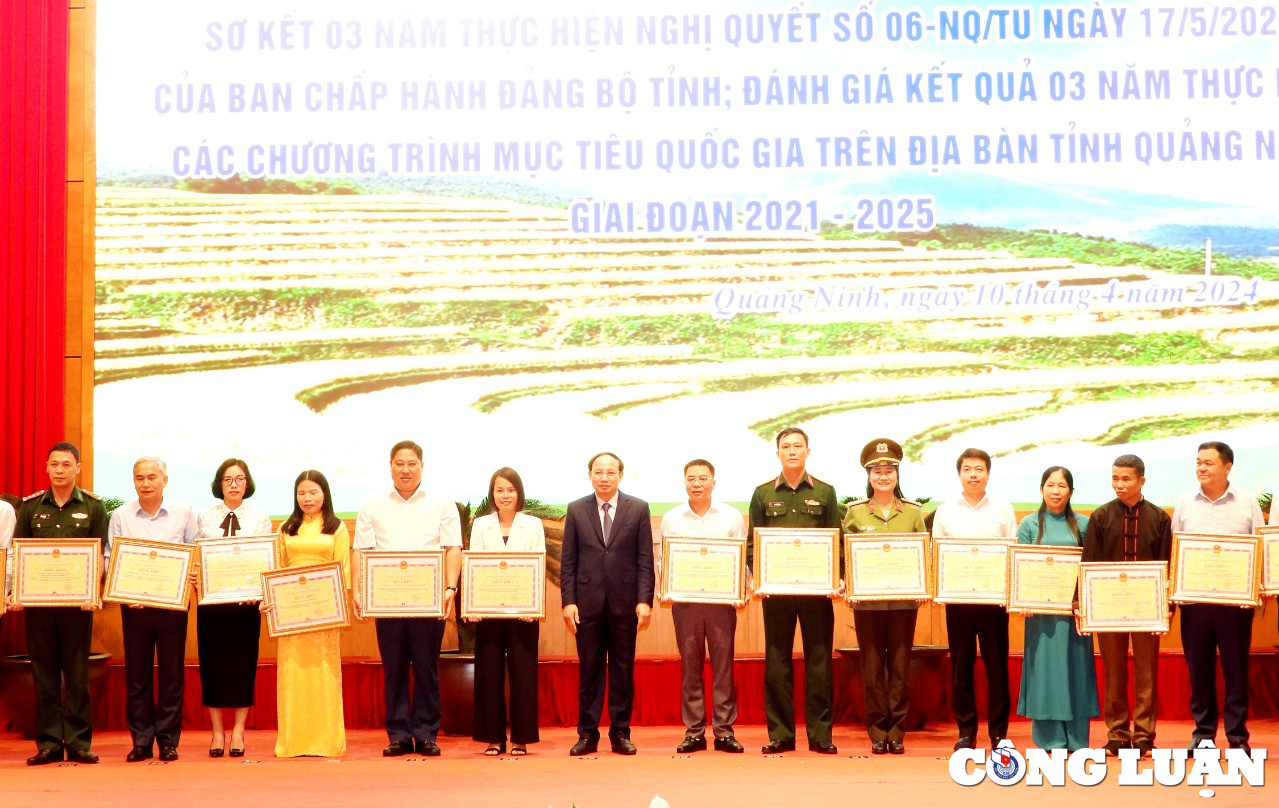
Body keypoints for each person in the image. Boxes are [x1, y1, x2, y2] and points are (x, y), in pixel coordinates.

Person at [353, 440, 462, 757]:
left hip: (427, 600)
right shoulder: (372, 504)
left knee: (427, 668)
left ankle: (427, 733)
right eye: (399, 463)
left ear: (422, 467)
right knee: (394, 668)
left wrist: (450, 588)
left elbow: (452, 547)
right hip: (386, 601)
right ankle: (399, 734)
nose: (405, 469)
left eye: (412, 463)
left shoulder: (441, 503)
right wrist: (359, 590)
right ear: (390, 466)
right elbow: (361, 551)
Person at [9, 442, 106, 765]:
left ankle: (78, 742)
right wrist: (16, 593)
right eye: (54, 465)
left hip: (78, 608)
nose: (60, 470)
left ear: (78, 468)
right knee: (45, 676)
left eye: (66, 464)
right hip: (38, 609)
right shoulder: (30, 507)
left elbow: (101, 556)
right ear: (47, 468)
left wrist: (94, 591)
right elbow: (17, 554)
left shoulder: (93, 507)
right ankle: (49, 743)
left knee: (78, 677)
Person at [747, 427, 841, 754]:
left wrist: (836, 577)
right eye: (785, 446)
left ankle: (820, 735)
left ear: (807, 451)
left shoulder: (826, 493)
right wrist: (756, 577)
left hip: (816, 593)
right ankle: (781, 735)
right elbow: (752, 546)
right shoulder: (761, 495)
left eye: (797, 446)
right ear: (777, 454)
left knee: (819, 663)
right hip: (776, 593)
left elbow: (836, 542)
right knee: (777, 663)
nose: (791, 451)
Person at [1171, 441, 1265, 754]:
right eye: (1198, 462)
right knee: (1199, 668)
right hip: (1195, 604)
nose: (1201, 468)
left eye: (1209, 463)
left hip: (1234, 604)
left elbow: (1261, 549)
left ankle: (1237, 736)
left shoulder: (1247, 503)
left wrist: (1255, 592)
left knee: (1235, 668)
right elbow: (1175, 550)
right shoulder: (1185, 502)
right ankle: (1203, 734)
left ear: (1227, 467)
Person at [560, 451, 655, 756]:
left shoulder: (638, 508)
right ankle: (587, 734)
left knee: (622, 672)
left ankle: (620, 733)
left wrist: (644, 600)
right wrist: (568, 601)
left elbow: (644, 559)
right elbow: (568, 560)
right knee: (589, 672)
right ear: (590, 475)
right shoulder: (576, 509)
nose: (604, 477)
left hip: (625, 604)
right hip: (586, 605)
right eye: (598, 472)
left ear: (620, 475)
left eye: (610, 472)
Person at [107, 456, 201, 762]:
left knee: (172, 674)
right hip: (134, 606)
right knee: (137, 675)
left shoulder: (184, 513)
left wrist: (191, 574)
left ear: (165, 480)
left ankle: (168, 740)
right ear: (133, 481)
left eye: (151, 477)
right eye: (139, 478)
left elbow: (195, 554)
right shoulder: (121, 515)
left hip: (173, 606)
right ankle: (141, 740)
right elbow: (111, 557)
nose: (145, 483)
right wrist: (121, 587)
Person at [1082, 454, 1172, 757]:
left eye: (1126, 479)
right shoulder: (1101, 516)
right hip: (1108, 608)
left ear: (1141, 481)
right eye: (1115, 478)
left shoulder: (1159, 518)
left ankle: (1145, 735)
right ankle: (1118, 733)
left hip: (1148, 609)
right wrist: (1083, 601)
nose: (1119, 485)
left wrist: (1166, 607)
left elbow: (1167, 566)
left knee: (1147, 671)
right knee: (1114, 671)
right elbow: (1089, 562)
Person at [842, 438, 925, 756]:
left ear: (897, 474)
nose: (883, 476)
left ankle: (897, 732)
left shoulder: (914, 514)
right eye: (877, 471)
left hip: (904, 604)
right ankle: (877, 732)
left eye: (889, 470)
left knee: (901, 670)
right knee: (873, 671)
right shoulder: (856, 514)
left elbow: (923, 557)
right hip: (868, 605)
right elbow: (846, 559)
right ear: (869, 476)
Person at [658, 459, 747, 754]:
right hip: (685, 605)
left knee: (723, 669)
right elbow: (664, 561)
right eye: (691, 478)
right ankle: (694, 732)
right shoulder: (671, 518)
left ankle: (724, 731)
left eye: (703, 478)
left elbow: (740, 558)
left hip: (722, 605)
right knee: (690, 669)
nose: (697, 483)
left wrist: (741, 589)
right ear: (684, 482)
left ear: (713, 482)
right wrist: (666, 588)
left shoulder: (731, 516)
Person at [931, 447, 1017, 751]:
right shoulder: (945, 510)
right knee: (961, 668)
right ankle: (965, 732)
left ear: (988, 474)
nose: (973, 475)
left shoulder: (1003, 509)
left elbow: (1012, 554)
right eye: (967, 469)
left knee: (997, 668)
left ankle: (998, 734)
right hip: (959, 602)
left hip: (993, 603)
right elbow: (936, 553)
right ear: (959, 474)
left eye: (979, 469)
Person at [1015, 466, 1098, 752]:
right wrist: (1022, 599)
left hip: (1074, 615)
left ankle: (1076, 739)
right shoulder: (1028, 525)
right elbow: (1019, 568)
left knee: (1076, 672)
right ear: (1042, 489)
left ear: (1071, 492)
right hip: (1040, 616)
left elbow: (1090, 568)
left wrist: (1083, 603)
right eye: (1050, 485)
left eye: (1062, 486)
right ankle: (1049, 739)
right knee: (1046, 674)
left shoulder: (1085, 525)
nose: (1055, 491)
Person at [269, 469, 351, 757]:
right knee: (293, 675)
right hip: (291, 615)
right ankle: (294, 742)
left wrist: (338, 610)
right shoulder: (285, 529)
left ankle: (325, 741)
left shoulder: (337, 528)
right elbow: (275, 570)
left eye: (313, 492)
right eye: (301, 493)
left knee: (323, 675)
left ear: (325, 494)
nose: (307, 498)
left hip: (324, 614)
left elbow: (344, 571)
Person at [196, 458, 272, 758]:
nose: (234, 485)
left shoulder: (259, 517)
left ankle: (239, 730)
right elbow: (198, 556)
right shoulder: (204, 516)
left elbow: (265, 559)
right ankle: (217, 732)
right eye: (228, 480)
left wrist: (258, 590)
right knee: (212, 665)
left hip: (245, 604)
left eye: (240, 479)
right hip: (213, 605)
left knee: (243, 665)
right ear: (219, 483)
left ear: (247, 483)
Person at [468, 467, 546, 756]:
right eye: (499, 490)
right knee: (488, 674)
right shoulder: (480, 525)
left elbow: (537, 566)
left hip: (522, 612)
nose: (505, 495)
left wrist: (533, 607)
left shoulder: (533, 525)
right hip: (488, 612)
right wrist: (473, 606)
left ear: (519, 493)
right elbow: (473, 566)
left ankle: (520, 738)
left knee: (523, 674)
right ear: (492, 494)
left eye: (510, 490)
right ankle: (493, 737)